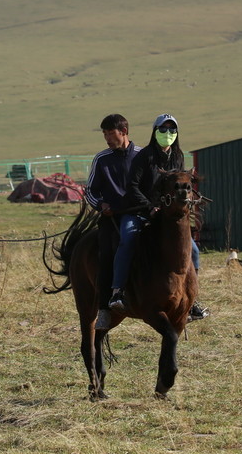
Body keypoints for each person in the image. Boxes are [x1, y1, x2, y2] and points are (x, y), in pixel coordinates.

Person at [111, 113, 209, 321]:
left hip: (165, 214)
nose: (167, 134)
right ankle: (117, 292)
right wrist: (149, 208)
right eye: (163, 130)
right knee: (127, 240)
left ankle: (191, 300)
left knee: (193, 250)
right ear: (155, 132)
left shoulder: (178, 155)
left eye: (172, 130)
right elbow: (132, 187)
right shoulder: (144, 156)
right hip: (138, 211)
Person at [84, 113, 141, 329]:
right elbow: (90, 191)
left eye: (111, 133)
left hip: (143, 213)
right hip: (113, 217)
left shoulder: (143, 156)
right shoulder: (102, 159)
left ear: (124, 132)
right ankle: (105, 307)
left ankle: (189, 300)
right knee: (107, 255)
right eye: (105, 134)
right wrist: (101, 205)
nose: (107, 138)